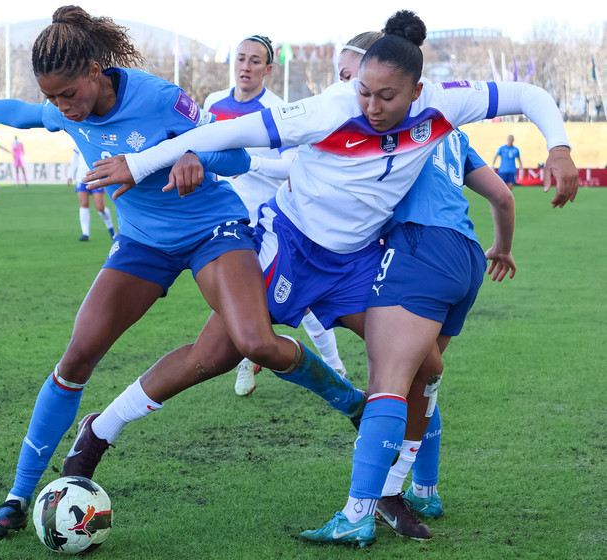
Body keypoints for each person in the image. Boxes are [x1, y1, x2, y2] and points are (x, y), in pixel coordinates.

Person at [80, 9, 577, 548]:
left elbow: (529, 94)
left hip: (356, 263)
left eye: (386, 96)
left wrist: (559, 146)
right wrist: (141, 164)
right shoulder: (328, 109)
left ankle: (388, 490)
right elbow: (229, 129)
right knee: (212, 356)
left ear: (416, 92)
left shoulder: (445, 103)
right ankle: (100, 430)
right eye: (363, 90)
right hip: (289, 247)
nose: (371, 106)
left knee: (424, 366)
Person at [0, 5, 358, 544]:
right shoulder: (64, 110)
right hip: (141, 243)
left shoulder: (161, 98)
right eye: (54, 98)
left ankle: (351, 400)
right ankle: (18, 499)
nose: (63, 107)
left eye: (68, 94)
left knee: (255, 342)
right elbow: (25, 114)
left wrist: (194, 157)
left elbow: (235, 157)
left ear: (94, 70)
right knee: (76, 357)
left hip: (213, 229)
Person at [204, 34, 346, 395]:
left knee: (300, 297)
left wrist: (249, 164)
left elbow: (291, 165)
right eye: (241, 58)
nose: (245, 66)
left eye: (255, 61)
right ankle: (247, 358)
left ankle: (334, 367)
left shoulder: (278, 110)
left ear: (268, 69)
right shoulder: (213, 103)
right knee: (236, 296)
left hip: (271, 221)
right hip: (226, 222)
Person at [68, 145, 116, 242]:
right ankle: (85, 234)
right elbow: (75, 159)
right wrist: (70, 174)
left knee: (100, 207)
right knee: (83, 204)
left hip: (96, 176)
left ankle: (111, 229)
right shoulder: (78, 142)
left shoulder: (96, 141)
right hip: (81, 177)